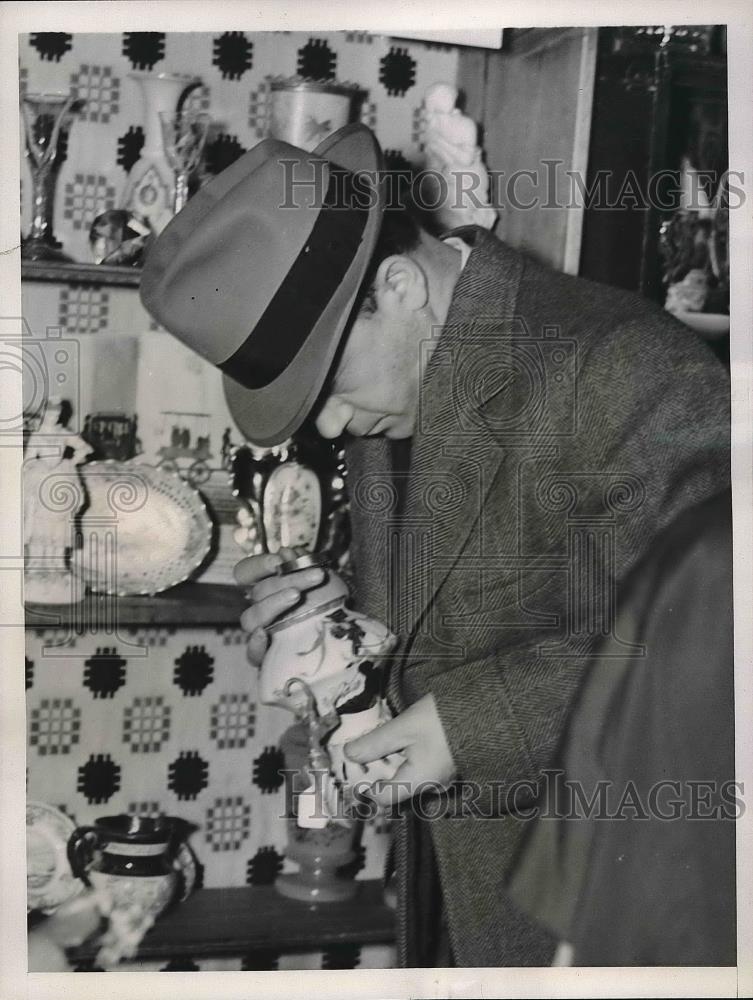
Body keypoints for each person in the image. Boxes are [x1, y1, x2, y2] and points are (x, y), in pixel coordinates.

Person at [139, 124, 731, 966]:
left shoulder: (625, 367)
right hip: (461, 901)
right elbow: (451, 605)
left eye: (331, 392)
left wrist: (469, 726)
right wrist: (332, 628)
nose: (334, 428)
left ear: (399, 285)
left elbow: (711, 654)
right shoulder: (413, 378)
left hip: (605, 915)